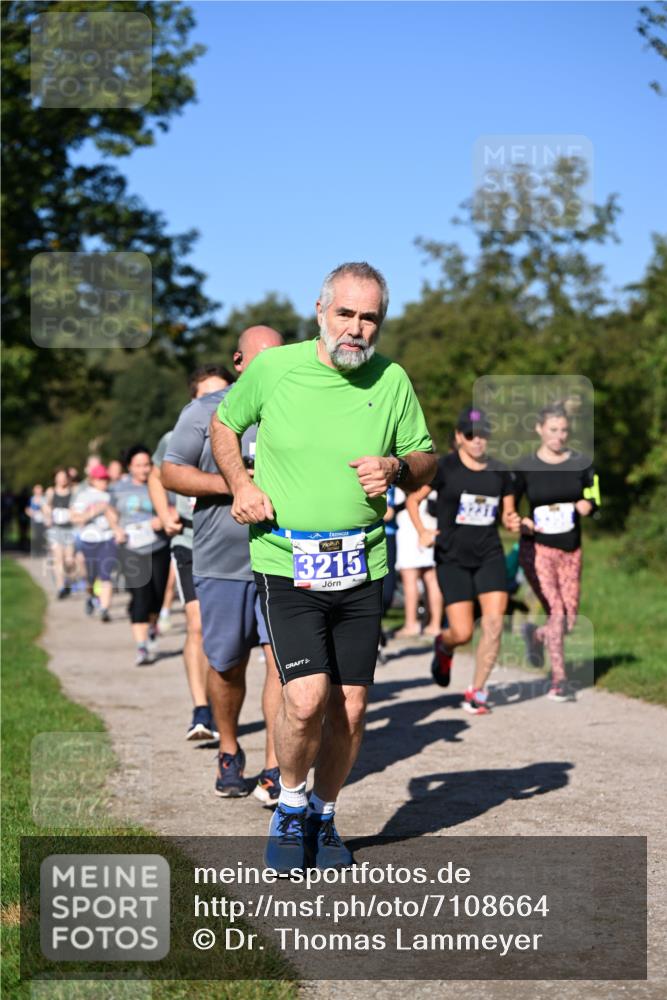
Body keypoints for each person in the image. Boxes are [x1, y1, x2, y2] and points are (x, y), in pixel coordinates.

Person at [211, 262, 435, 872]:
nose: (357, 329)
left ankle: (325, 814)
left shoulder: (392, 380)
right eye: (347, 314)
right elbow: (224, 425)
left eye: (370, 318)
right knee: (307, 698)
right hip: (286, 559)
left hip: (363, 561)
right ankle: (288, 803)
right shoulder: (275, 369)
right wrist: (240, 484)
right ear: (320, 312)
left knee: (354, 706)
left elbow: (425, 458)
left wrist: (396, 470)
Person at [161, 333, 284, 803]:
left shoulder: (298, 406)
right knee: (227, 665)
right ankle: (229, 749)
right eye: (261, 359)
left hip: (284, 559)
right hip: (221, 562)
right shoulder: (205, 411)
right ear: (238, 362)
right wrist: (235, 483)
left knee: (283, 667)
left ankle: (277, 766)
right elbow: (171, 473)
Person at [407, 408, 521, 714]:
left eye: (483, 434)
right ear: (459, 437)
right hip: (451, 556)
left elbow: (508, 515)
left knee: (494, 623)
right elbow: (413, 499)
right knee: (463, 632)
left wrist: (513, 520)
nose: (477, 440)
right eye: (470, 435)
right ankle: (444, 646)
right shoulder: (444, 467)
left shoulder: (500, 471)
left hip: (489, 554)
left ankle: (477, 691)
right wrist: (422, 531)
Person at [149, 364, 235, 742]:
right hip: (190, 539)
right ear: (193, 400)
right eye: (207, 396)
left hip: (234, 542)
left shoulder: (246, 429)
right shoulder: (176, 435)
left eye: (223, 393)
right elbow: (157, 475)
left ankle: (224, 707)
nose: (216, 402)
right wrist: (164, 511)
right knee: (198, 624)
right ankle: (202, 710)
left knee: (232, 638)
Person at [513, 403, 597, 701]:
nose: (559, 436)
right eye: (553, 430)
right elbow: (509, 504)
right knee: (557, 612)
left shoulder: (582, 462)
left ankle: (536, 636)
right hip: (538, 549)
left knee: (569, 618)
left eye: (564, 430)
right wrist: (518, 520)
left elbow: (594, 493)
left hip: (571, 549)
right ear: (539, 429)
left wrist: (590, 505)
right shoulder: (525, 465)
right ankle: (559, 680)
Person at [107, 445, 172, 665]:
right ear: (129, 467)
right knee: (140, 596)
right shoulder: (118, 488)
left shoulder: (161, 484)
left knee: (158, 595)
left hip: (158, 545)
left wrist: (162, 519)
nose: (144, 469)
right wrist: (116, 529)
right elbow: (110, 511)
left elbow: (174, 510)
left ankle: (152, 624)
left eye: (147, 465)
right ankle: (142, 646)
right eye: (138, 465)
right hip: (131, 548)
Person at [393, 485, 443, 637]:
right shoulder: (433, 478)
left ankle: (411, 624)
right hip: (431, 527)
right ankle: (435, 624)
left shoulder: (404, 480)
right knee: (432, 578)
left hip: (409, 528)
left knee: (410, 578)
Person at [70, 464, 116, 621]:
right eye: (101, 479)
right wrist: (95, 511)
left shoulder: (111, 495)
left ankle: (104, 610)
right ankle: (91, 597)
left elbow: (117, 519)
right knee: (90, 577)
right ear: (93, 480)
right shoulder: (84, 496)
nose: (104, 482)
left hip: (108, 539)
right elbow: (75, 518)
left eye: (106, 478)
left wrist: (109, 510)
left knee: (106, 575)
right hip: (89, 540)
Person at [42, 473, 74, 597]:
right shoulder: (51, 491)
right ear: (55, 478)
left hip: (70, 529)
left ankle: (68, 582)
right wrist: (48, 514)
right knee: (58, 559)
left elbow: (77, 507)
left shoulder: (72, 492)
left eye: (64, 477)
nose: (62, 480)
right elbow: (45, 505)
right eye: (59, 477)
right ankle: (60, 588)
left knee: (69, 561)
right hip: (55, 529)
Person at [26, 483, 48, 558]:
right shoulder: (31, 499)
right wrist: (30, 513)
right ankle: (36, 550)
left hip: (43, 520)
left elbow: (46, 510)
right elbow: (27, 509)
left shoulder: (44, 499)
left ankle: (42, 550)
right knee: (36, 536)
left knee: (42, 536)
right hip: (34, 520)